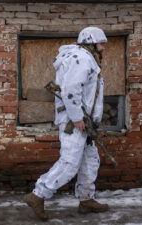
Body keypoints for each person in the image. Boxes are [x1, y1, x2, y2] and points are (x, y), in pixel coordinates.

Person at [24, 27, 109, 221]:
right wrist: (77, 118)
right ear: (90, 42)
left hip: (84, 122)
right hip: (75, 122)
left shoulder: (85, 58)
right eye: (101, 43)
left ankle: (86, 200)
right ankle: (38, 195)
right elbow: (71, 90)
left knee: (90, 161)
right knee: (70, 163)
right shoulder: (81, 58)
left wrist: (89, 120)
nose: (103, 48)